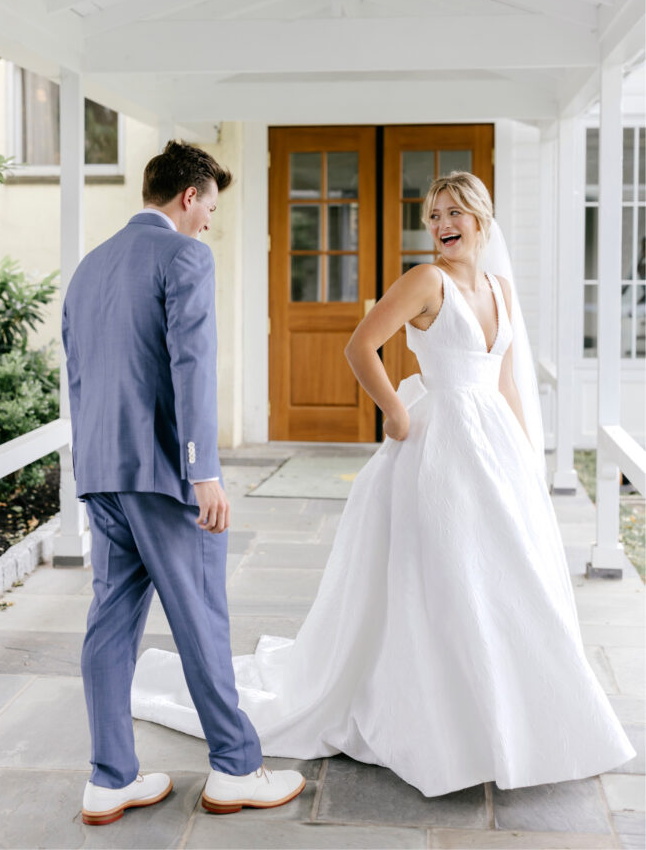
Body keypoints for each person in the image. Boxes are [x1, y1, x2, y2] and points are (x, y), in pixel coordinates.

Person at [131, 171, 636, 797]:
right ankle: (440, 726)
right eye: (432, 216)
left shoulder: (502, 290)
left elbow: (504, 382)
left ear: (480, 218)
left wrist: (528, 462)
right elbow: (361, 346)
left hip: (494, 448)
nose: (442, 225)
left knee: (509, 580)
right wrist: (395, 412)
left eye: (453, 212)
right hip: (437, 446)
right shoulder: (427, 281)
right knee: (445, 576)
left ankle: (514, 720)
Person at [61, 140, 305, 824]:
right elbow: (190, 367)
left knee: (108, 626)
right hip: (164, 478)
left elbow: (79, 381)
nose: (208, 224)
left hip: (102, 474)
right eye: (210, 208)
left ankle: (110, 778)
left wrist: (91, 471)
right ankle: (234, 768)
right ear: (188, 196)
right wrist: (203, 471)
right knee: (201, 618)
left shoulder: (87, 269)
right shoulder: (185, 256)